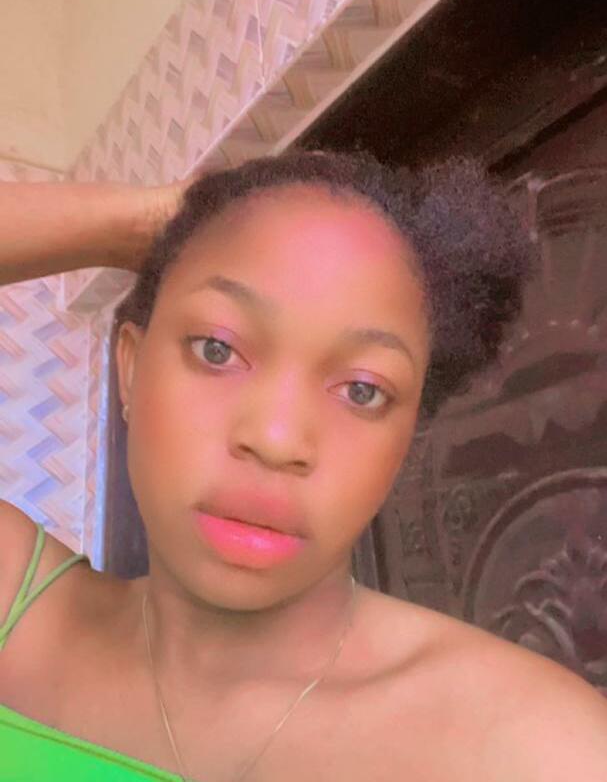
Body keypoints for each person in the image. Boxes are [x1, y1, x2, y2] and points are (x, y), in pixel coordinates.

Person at [0, 149, 606, 782]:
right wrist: (145, 221)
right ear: (130, 368)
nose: (276, 438)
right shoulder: (21, 618)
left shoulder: (537, 745)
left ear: (408, 439)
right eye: (217, 349)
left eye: (362, 390)